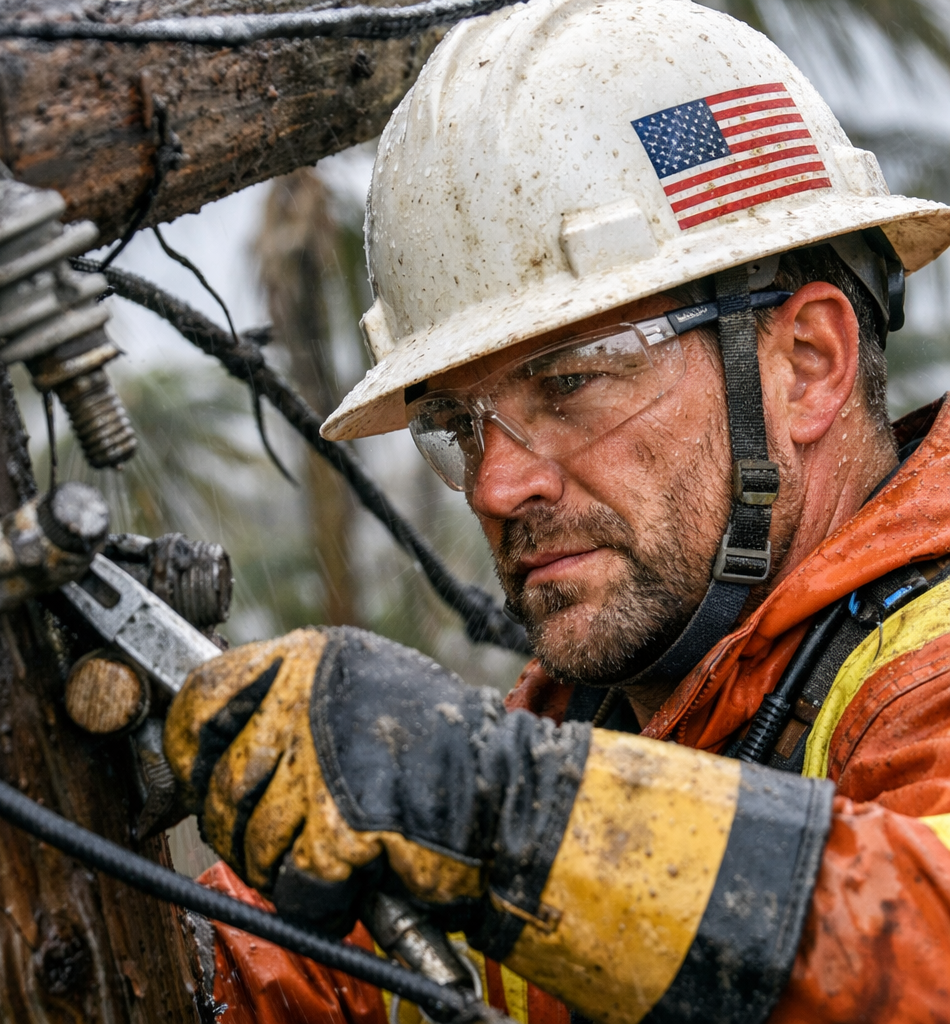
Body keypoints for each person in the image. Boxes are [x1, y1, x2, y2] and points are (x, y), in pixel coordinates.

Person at [164, 0, 950, 1020]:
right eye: (458, 424)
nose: (496, 486)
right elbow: (253, 974)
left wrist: (493, 808)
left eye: (573, 383)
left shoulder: (914, 674)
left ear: (806, 366)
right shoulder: (564, 759)